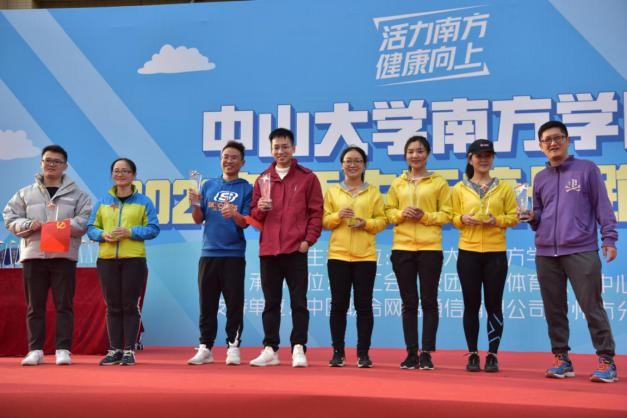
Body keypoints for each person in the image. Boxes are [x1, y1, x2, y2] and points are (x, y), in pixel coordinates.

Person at [527, 121, 618, 383]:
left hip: (581, 249)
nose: (552, 143)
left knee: (592, 306)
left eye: (557, 138)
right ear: (541, 146)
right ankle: (561, 359)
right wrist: (532, 217)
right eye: (547, 140)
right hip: (546, 253)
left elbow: (603, 206)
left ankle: (607, 361)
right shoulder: (540, 178)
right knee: (554, 309)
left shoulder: (586, 169)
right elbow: (539, 215)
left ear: (567, 141)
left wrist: (609, 238)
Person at [3, 145, 91, 366]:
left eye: (57, 161)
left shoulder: (78, 195)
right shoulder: (25, 193)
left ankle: (63, 349)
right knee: (35, 307)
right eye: (47, 160)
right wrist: (28, 224)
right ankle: (35, 350)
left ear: (65, 166)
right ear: (41, 163)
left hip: (64, 256)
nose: (51, 164)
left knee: (64, 305)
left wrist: (60, 227)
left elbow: (83, 222)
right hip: (33, 255)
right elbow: (9, 217)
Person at [248, 128, 323, 368]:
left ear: (293, 148)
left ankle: (299, 347)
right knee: (271, 302)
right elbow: (254, 217)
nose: (280, 151)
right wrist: (260, 209)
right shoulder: (263, 179)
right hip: (269, 250)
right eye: (276, 147)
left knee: (298, 302)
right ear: (271, 150)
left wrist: (308, 241)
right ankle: (270, 348)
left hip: (295, 250)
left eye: (285, 146)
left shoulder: (307, 178)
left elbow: (316, 213)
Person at [384, 136, 452, 370]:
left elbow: (448, 214)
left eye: (420, 151)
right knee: (409, 302)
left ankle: (427, 353)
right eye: (411, 151)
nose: (415, 155)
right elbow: (388, 212)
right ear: (405, 155)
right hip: (402, 248)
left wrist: (425, 216)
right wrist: (401, 214)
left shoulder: (438, 182)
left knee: (429, 300)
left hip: (430, 248)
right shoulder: (397, 183)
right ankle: (411, 352)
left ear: (427, 154)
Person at [451, 139, 518, 373]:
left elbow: (514, 217)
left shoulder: (504, 188)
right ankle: (472, 354)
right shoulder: (460, 188)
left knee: (494, 304)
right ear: (470, 159)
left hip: (495, 253)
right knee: (471, 304)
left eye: (488, 155)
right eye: (479, 155)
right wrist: (462, 219)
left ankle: (492, 354)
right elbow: (452, 216)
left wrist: (496, 221)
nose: (484, 159)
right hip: (468, 252)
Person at [87, 158, 159, 366]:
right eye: (117, 170)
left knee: (129, 305)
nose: (120, 174)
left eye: (125, 171)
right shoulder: (102, 202)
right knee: (112, 306)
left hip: (134, 260)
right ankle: (115, 350)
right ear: (112, 175)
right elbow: (91, 228)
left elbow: (153, 229)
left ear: (133, 175)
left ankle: (129, 350)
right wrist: (102, 235)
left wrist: (130, 232)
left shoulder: (144, 202)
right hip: (107, 260)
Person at [186, 141, 252, 366]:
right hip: (209, 253)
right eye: (226, 157)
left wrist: (234, 214)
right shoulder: (208, 185)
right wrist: (195, 204)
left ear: (242, 163)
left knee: (234, 304)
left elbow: (245, 223)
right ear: (220, 159)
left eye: (234, 157)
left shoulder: (246, 189)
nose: (229, 161)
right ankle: (205, 347)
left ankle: (233, 346)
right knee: (207, 304)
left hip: (234, 254)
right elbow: (198, 219)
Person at [322, 146, 387, 368]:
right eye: (348, 161)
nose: (352, 165)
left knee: (364, 305)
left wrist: (366, 223)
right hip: (338, 255)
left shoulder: (373, 192)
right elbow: (324, 221)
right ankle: (338, 352)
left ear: (364, 165)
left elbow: (383, 221)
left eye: (357, 161)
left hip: (365, 256)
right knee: (338, 305)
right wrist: (338, 216)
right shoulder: (333, 192)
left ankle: (363, 353)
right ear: (342, 165)